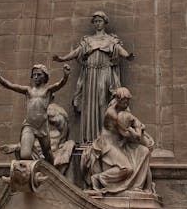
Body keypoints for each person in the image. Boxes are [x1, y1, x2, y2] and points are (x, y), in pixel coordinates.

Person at [53, 11, 134, 142]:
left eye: (99, 21)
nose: (97, 24)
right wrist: (62, 58)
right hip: (90, 74)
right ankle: (90, 137)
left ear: (104, 22)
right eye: (95, 21)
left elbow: (119, 49)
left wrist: (127, 56)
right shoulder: (88, 40)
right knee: (89, 104)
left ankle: (105, 135)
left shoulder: (111, 39)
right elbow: (76, 52)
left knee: (103, 101)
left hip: (104, 71)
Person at [81, 87, 154, 194]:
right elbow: (127, 132)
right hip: (108, 145)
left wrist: (147, 136)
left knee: (144, 151)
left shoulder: (124, 109)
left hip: (121, 143)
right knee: (127, 169)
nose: (127, 105)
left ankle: (136, 187)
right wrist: (141, 135)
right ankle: (99, 178)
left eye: (128, 102)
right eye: (125, 102)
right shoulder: (112, 113)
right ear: (118, 100)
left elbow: (134, 123)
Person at [0, 63, 70, 164]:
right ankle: (33, 165)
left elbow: (60, 84)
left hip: (42, 126)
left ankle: (52, 171)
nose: (36, 77)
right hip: (29, 125)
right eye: (34, 75)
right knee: (25, 154)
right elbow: (10, 86)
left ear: (45, 76)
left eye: (39, 74)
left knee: (48, 152)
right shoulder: (28, 90)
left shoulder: (48, 90)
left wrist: (66, 76)